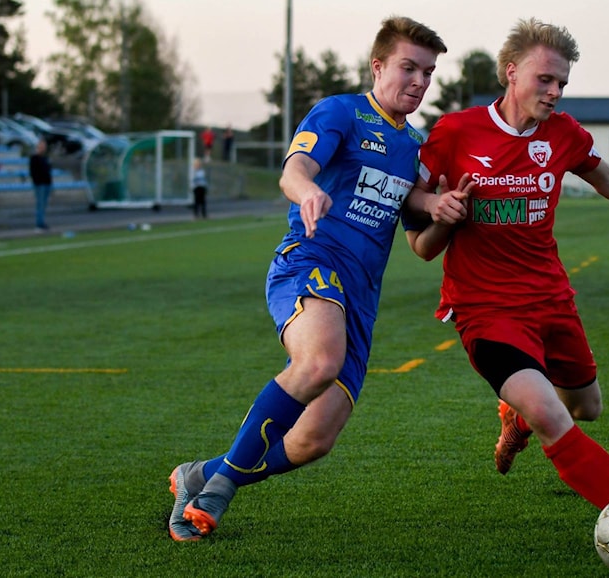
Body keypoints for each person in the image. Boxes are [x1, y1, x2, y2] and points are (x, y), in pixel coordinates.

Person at [165, 16, 448, 542]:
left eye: (428, 73)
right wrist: (309, 191)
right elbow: (294, 170)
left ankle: (199, 475)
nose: (419, 81)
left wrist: (444, 212)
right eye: (408, 68)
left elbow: (422, 244)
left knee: (314, 439)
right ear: (378, 66)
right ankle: (218, 490)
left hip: (362, 298)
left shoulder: (416, 146)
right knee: (318, 361)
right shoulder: (340, 112)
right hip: (311, 263)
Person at [405, 18, 609, 512]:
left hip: (550, 298)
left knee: (586, 407)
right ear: (511, 72)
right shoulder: (456, 131)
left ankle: (515, 418)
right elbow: (413, 207)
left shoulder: (563, 132)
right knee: (549, 412)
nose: (555, 92)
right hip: (485, 308)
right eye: (545, 79)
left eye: (562, 82)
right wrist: (440, 208)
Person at [28, 138, 52, 231]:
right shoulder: (34, 158)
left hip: (46, 183)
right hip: (40, 184)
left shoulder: (45, 158)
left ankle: (41, 222)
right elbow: (33, 172)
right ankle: (39, 224)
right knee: (40, 204)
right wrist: (37, 181)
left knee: (43, 204)